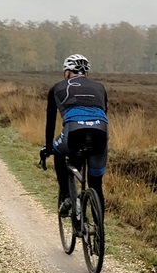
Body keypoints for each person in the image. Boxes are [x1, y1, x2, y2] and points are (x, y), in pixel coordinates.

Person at [40, 54, 108, 219]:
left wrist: (48, 148)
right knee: (96, 184)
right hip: (100, 132)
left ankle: (67, 197)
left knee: (58, 150)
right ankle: (99, 234)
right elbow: (103, 113)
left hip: (74, 132)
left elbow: (50, 123)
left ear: (68, 71)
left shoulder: (57, 87)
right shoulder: (100, 87)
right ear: (86, 72)